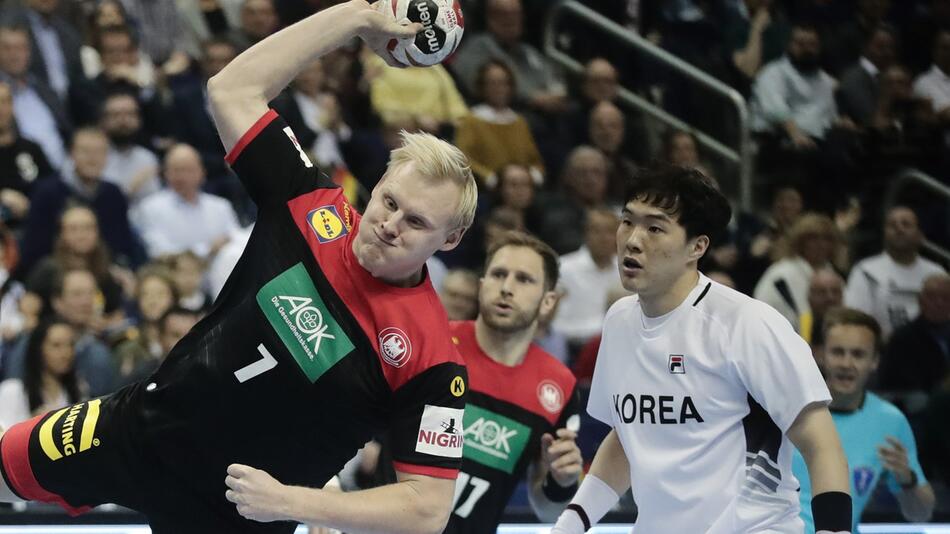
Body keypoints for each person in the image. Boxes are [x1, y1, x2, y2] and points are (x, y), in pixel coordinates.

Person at [0, 3, 476, 533]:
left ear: (449, 239)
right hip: (139, 428)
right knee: (6, 461)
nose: (390, 224)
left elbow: (428, 509)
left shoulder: (432, 356)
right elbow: (231, 90)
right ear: (378, 184)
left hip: (237, 513)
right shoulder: (310, 205)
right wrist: (356, 19)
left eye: (416, 222)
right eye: (388, 202)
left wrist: (297, 503)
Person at [550, 164, 851, 534]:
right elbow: (630, 438)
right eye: (627, 221)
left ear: (697, 246)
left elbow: (820, 440)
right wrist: (569, 525)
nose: (632, 239)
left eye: (655, 228)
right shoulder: (618, 322)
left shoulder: (747, 323)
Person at [792, 308, 935, 533]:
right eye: (838, 352)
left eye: (858, 354)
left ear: (875, 361)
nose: (847, 364)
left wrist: (908, 479)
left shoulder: (890, 421)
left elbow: (921, 514)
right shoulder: (785, 406)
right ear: (819, 354)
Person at [845, 206, 945, 340]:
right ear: (884, 233)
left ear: (920, 235)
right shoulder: (865, 271)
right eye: (892, 225)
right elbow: (855, 319)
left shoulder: (937, 273)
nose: (899, 229)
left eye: (906, 224)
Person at [0, 317, 84, 429]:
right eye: (56, 345)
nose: (66, 353)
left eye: (70, 345)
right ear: (38, 349)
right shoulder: (12, 391)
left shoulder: (79, 388)